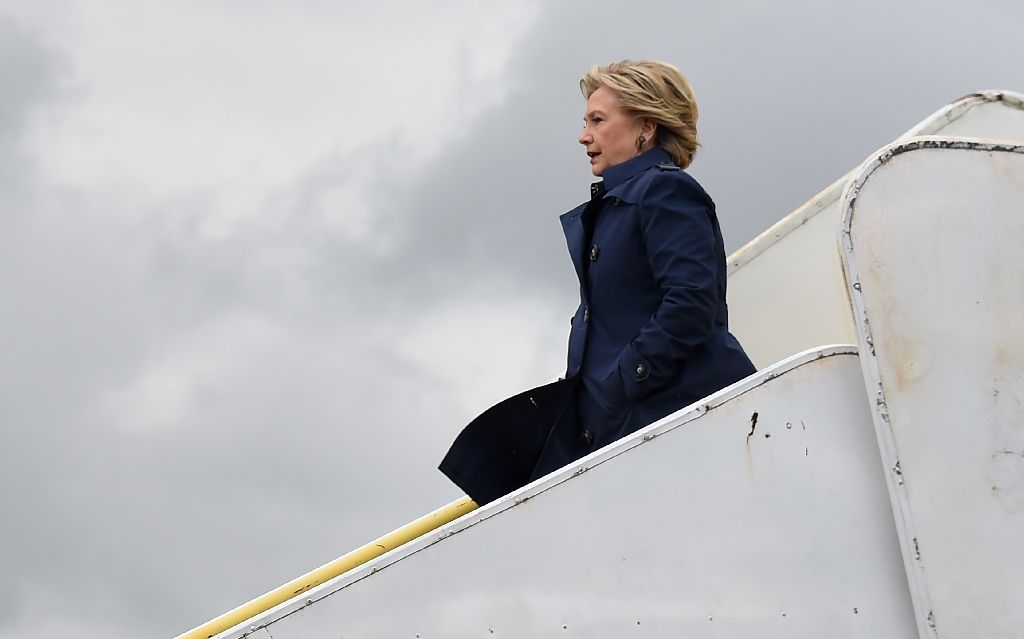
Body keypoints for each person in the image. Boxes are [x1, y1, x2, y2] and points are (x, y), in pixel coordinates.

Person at [439, 60, 755, 505]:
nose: (584, 136)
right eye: (585, 122)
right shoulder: (618, 204)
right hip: (627, 424)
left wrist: (620, 382)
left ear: (645, 127)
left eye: (597, 120)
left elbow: (690, 301)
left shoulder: (665, 191)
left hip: (665, 422)